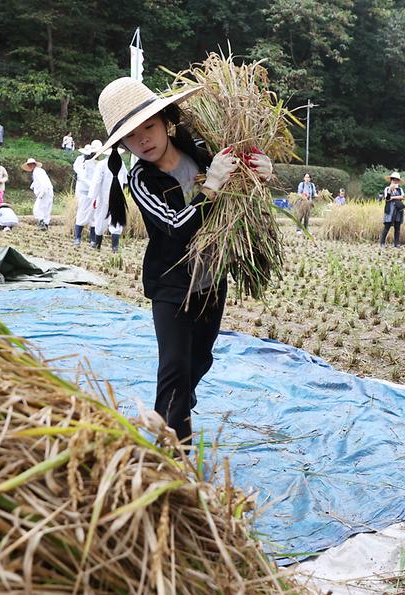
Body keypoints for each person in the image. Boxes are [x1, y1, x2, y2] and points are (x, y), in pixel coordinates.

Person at [95, 76, 269, 444]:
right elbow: (176, 226)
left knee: (199, 362)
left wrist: (257, 173)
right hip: (171, 283)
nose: (144, 139)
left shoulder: (198, 148)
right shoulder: (142, 179)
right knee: (174, 370)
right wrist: (210, 189)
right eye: (132, 136)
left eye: (149, 127)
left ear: (165, 122)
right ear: (122, 145)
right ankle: (172, 456)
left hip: (211, 278)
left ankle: (173, 414)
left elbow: (237, 180)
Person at [89, 148, 128, 252]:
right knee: (116, 220)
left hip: (103, 196)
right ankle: (114, 247)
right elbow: (124, 180)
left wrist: (93, 196)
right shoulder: (121, 164)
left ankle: (97, 245)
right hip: (118, 197)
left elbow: (96, 182)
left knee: (100, 219)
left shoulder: (101, 164)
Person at [73, 141, 100, 245]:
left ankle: (92, 239)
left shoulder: (97, 164)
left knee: (94, 216)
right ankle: (77, 238)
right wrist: (92, 186)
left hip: (94, 194)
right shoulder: (84, 164)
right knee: (82, 214)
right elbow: (82, 178)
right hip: (85, 192)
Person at [22, 158, 53, 230]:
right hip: (48, 191)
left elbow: (43, 182)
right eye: (29, 165)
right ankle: (45, 224)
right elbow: (39, 182)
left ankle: (42, 223)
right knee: (46, 208)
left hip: (44, 191)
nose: (30, 166)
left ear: (34, 164)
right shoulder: (39, 171)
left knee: (38, 208)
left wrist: (41, 193)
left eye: (31, 164)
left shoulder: (37, 172)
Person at [379, 171, 405, 248]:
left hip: (398, 210)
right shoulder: (387, 189)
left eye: (396, 180)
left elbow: (403, 197)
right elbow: (387, 198)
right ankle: (382, 242)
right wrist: (390, 191)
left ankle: (396, 243)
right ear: (391, 180)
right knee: (387, 226)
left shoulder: (400, 189)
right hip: (390, 210)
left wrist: (393, 198)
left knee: (397, 227)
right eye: (393, 179)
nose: (394, 181)